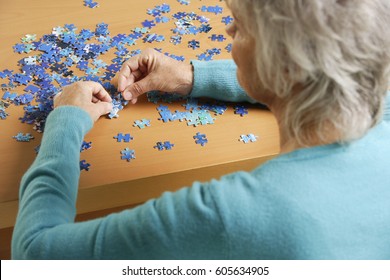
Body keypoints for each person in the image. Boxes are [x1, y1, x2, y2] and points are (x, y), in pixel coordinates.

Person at [12, 0, 390, 259]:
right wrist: (190, 75)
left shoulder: (231, 213)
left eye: (240, 27)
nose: (227, 28)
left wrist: (65, 121)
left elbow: (36, 254)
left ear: (285, 67)